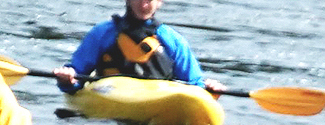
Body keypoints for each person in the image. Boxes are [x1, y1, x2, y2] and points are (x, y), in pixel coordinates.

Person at [53, 0, 224, 93]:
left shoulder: (173, 40)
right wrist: (69, 78)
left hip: (158, 100)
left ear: (160, 2)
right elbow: (76, 73)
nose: (143, 5)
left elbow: (195, 83)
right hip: (109, 96)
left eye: (149, 0)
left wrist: (210, 92)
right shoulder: (102, 33)